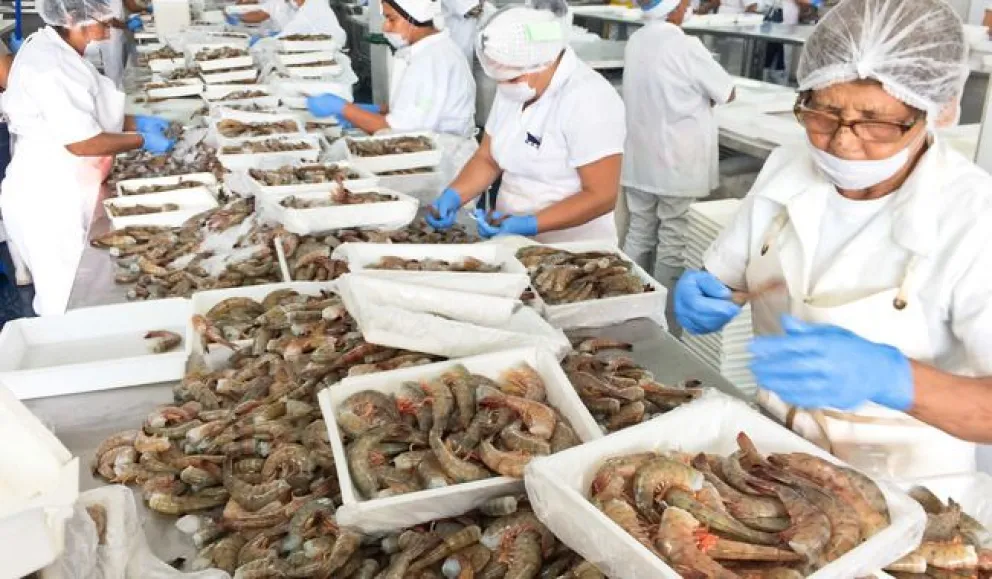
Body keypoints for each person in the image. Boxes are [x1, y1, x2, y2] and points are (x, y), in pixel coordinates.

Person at [674, 0, 992, 478]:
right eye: (823, 112)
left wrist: (895, 379)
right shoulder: (788, 163)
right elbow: (740, 277)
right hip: (774, 453)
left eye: (876, 123)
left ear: (934, 111)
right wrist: (714, 293)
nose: (842, 141)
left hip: (908, 485)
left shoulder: (972, 216)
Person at [1, 0, 175, 317]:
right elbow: (81, 142)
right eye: (103, 18)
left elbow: (88, 114)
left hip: (70, 182)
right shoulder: (50, 66)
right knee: (66, 301)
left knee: (82, 289)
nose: (110, 25)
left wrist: (136, 122)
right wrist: (142, 139)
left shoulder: (63, 52)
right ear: (71, 17)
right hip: (49, 197)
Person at [425, 4, 625, 242]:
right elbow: (488, 158)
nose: (503, 85)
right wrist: (454, 196)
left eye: (512, 78)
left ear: (544, 63)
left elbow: (601, 195)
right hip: (511, 239)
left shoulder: (589, 99)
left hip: (573, 249)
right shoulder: (516, 85)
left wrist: (531, 224)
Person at [621, 0, 734, 321]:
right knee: (674, 238)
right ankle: (664, 317)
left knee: (639, 230)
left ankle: (625, 302)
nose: (690, 5)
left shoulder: (637, 40)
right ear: (673, 6)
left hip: (641, 157)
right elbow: (727, 92)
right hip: (677, 161)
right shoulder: (686, 46)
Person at [306, 0, 475, 139]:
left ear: (413, 19)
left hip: (447, 160)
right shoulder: (427, 51)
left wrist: (343, 108)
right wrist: (374, 110)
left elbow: (400, 131)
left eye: (391, 19)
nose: (385, 27)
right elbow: (413, 106)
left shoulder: (431, 60)